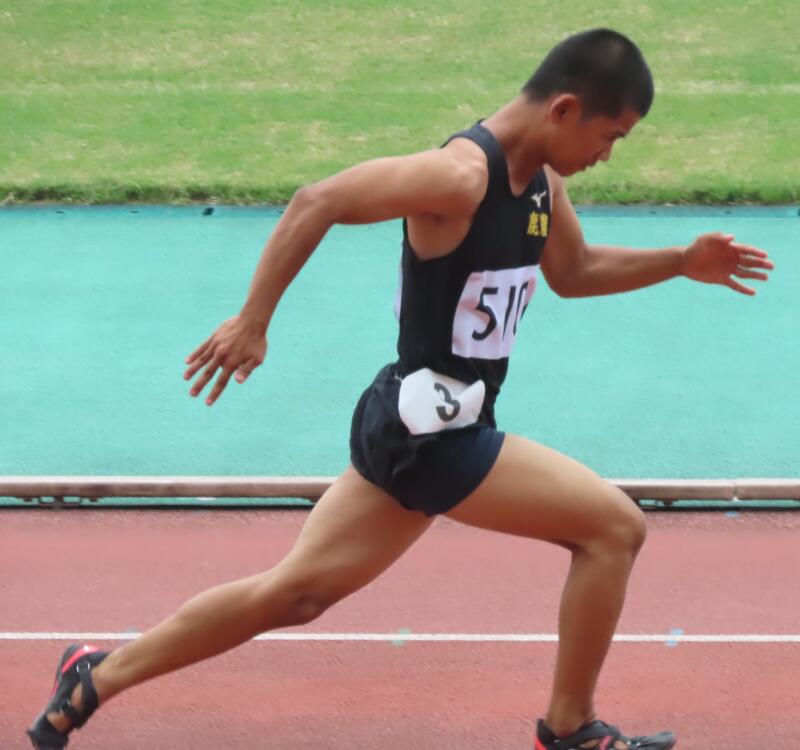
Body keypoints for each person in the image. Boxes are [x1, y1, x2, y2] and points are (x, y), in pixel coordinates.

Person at [28, 28, 773, 750]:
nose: (608, 155)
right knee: (613, 529)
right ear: (564, 109)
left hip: (415, 423)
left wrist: (680, 261)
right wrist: (253, 321)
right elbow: (316, 199)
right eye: (611, 136)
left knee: (295, 593)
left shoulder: (543, 183)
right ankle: (569, 727)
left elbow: (574, 273)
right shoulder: (460, 176)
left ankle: (96, 674)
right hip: (432, 436)